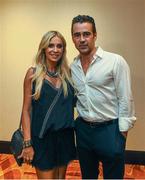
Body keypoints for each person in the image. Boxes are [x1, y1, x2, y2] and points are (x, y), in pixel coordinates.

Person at [70, 15, 136, 179]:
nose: (82, 39)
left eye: (86, 34)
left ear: (95, 35)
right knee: (88, 176)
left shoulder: (115, 61)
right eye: (77, 35)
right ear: (72, 38)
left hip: (110, 129)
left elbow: (125, 98)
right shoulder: (74, 66)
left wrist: (121, 135)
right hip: (83, 130)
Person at [19, 31, 76, 179]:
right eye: (51, 45)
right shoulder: (33, 74)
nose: (55, 50)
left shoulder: (68, 74)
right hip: (42, 139)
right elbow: (26, 110)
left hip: (65, 137)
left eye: (59, 46)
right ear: (43, 48)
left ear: (64, 50)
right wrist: (27, 143)